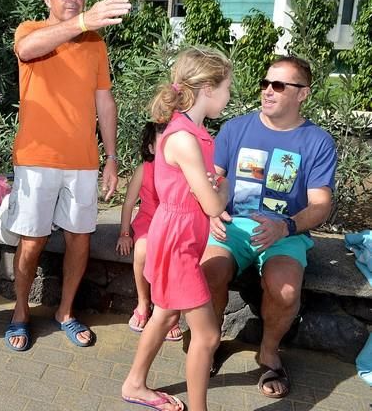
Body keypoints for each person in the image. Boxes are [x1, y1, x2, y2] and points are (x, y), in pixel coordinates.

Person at [0, 0, 131, 351]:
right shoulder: (30, 31)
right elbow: (26, 50)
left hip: (83, 162)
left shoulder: (95, 44)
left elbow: (104, 102)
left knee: (80, 241)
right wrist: (83, 22)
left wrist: (112, 157)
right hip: (37, 159)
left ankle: (65, 312)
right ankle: (20, 313)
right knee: (32, 241)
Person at [200, 56, 337, 398]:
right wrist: (212, 210)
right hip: (232, 225)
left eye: (278, 85)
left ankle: (269, 352)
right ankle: (209, 340)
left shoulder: (317, 141)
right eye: (265, 83)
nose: (267, 91)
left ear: (302, 94)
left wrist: (286, 227)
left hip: (285, 231)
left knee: (285, 290)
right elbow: (212, 179)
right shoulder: (235, 128)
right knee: (209, 272)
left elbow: (320, 204)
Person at [121, 47, 232, 411]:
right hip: (178, 244)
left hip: (179, 237)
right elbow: (213, 202)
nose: (230, 97)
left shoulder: (194, 133)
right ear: (209, 89)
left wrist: (212, 190)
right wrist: (227, 184)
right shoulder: (184, 138)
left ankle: (134, 384)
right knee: (208, 333)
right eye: (228, 88)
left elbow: (198, 193)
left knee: (166, 312)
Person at [116, 121, 182, 341]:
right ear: (151, 148)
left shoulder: (182, 171)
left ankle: (168, 312)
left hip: (172, 223)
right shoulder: (144, 169)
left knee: (174, 256)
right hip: (148, 221)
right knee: (143, 251)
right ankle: (144, 302)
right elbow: (127, 204)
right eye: (161, 144)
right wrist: (125, 233)